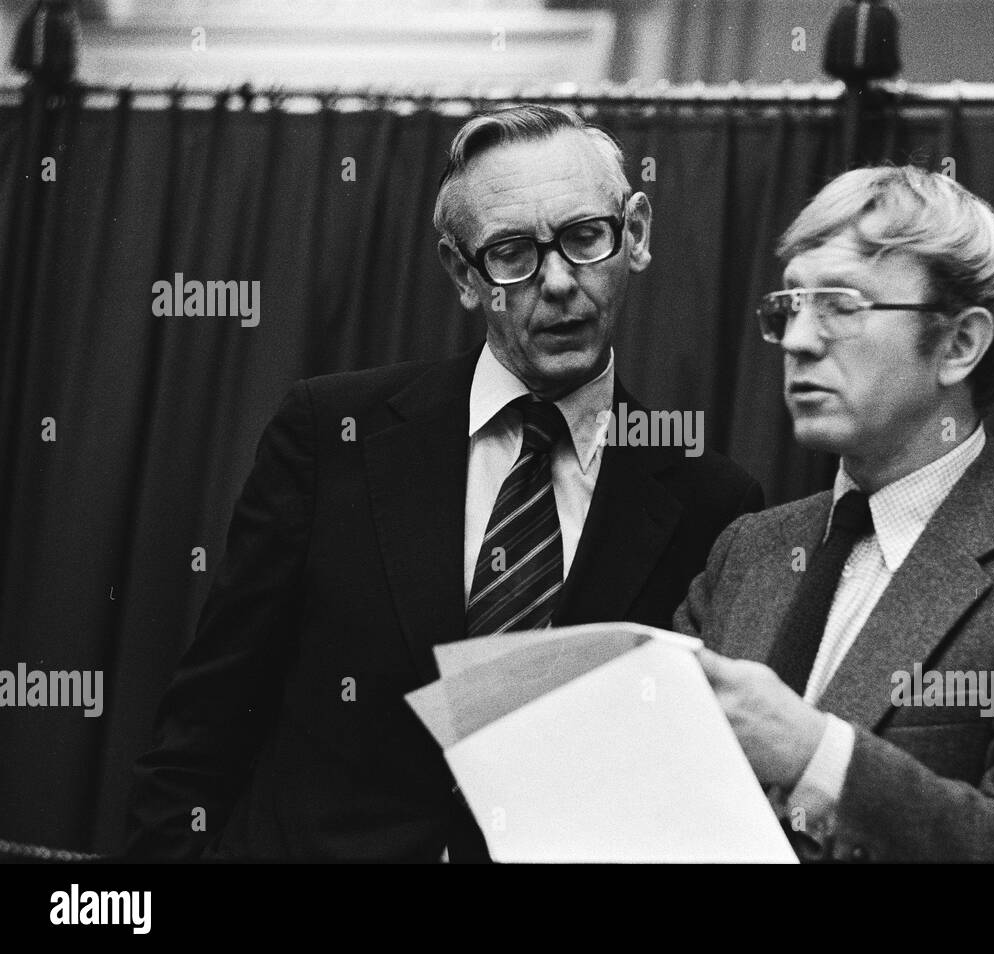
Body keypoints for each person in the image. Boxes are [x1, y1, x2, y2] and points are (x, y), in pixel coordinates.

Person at [126, 104, 763, 860]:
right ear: (463, 273)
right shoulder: (332, 434)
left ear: (637, 234)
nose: (558, 282)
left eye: (586, 238)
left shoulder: (711, 503)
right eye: (512, 253)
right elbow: (209, 716)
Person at [675, 165, 994, 862]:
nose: (798, 341)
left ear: (960, 345)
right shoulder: (747, 549)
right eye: (790, 307)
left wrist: (821, 758)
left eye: (840, 305)